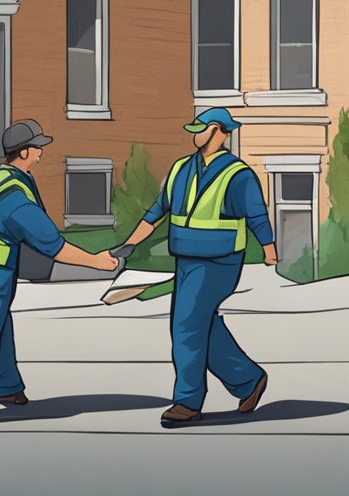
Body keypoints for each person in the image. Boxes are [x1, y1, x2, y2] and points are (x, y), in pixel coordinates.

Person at [0, 120, 120, 423]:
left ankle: (8, 387)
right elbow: (52, 244)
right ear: (25, 152)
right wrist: (96, 261)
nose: (41, 153)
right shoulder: (14, 197)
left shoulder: (1, 176)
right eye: (38, 148)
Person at [114, 108, 277, 426]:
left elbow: (257, 214)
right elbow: (157, 210)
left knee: (186, 326)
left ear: (217, 130)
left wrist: (269, 249)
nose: (194, 134)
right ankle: (247, 378)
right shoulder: (180, 169)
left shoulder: (237, 174)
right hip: (187, 258)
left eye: (198, 129)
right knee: (199, 324)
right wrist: (130, 244)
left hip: (220, 259)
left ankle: (187, 401)